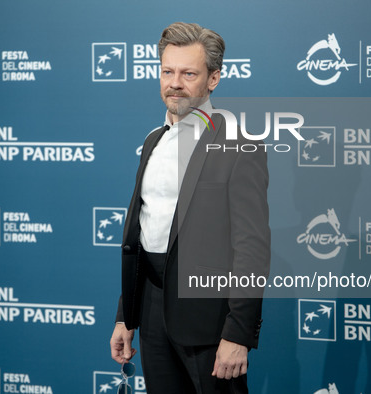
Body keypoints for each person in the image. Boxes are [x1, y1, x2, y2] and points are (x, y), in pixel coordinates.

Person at [110, 22, 270, 394]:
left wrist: (238, 334)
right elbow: (145, 232)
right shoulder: (152, 142)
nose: (175, 83)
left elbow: (251, 248)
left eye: (188, 73)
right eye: (167, 71)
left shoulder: (239, 147)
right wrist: (126, 315)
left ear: (213, 79)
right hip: (151, 312)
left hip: (209, 323)